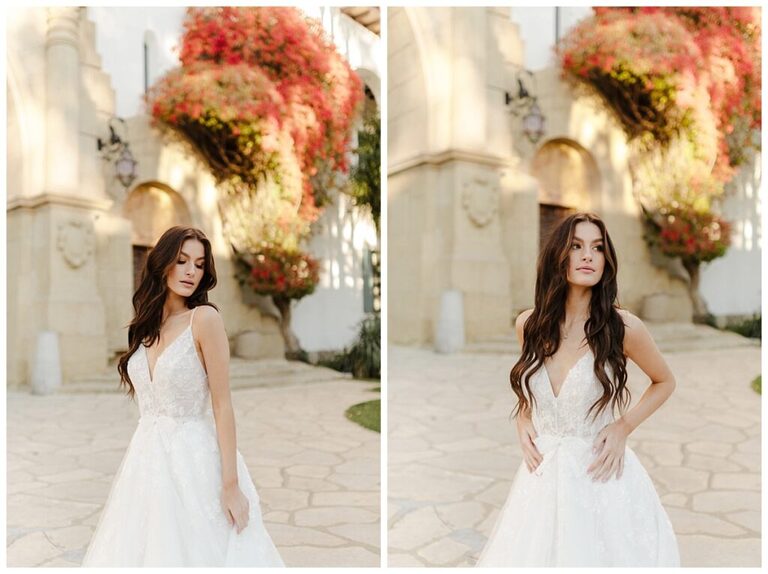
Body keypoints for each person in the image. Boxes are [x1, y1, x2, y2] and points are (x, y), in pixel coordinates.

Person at [477, 212, 680, 567]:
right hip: (540, 477)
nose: (588, 255)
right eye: (576, 246)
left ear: (606, 260)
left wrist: (622, 426)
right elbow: (529, 383)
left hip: (598, 474)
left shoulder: (623, 327)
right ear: (559, 256)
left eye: (597, 248)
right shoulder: (529, 324)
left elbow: (665, 381)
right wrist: (523, 417)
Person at [82, 226, 284, 567]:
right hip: (145, 461)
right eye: (182, 260)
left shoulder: (204, 319)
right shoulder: (145, 326)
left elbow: (222, 405)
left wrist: (231, 484)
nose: (191, 271)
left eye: (200, 264)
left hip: (193, 460)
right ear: (163, 264)